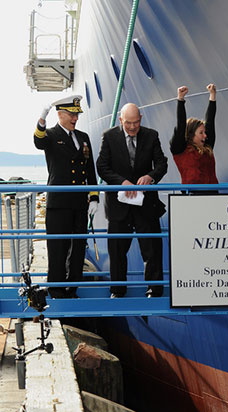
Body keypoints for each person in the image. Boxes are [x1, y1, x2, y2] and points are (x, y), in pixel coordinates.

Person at [96, 103, 168, 298]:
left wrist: (150, 177)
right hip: (119, 205)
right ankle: (117, 290)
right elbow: (102, 167)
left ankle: (154, 288)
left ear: (141, 119)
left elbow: (162, 163)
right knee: (117, 250)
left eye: (136, 122)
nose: (133, 127)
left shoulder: (151, 135)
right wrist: (122, 182)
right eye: (128, 123)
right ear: (121, 120)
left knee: (152, 249)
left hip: (145, 204)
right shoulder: (109, 137)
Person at [33, 95, 99, 298]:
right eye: (71, 114)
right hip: (59, 202)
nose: (75, 118)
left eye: (76, 114)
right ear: (60, 114)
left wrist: (94, 196)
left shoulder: (83, 137)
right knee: (58, 247)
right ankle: (57, 288)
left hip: (79, 203)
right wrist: (42, 119)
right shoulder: (51, 135)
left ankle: (73, 286)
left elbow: (90, 169)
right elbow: (38, 141)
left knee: (78, 246)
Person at [170, 84, 218, 185]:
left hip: (212, 196)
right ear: (191, 135)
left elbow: (210, 121)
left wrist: (212, 96)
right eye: (201, 133)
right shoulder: (180, 149)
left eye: (204, 132)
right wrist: (180, 100)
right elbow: (181, 125)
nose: (205, 135)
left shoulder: (207, 147)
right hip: (191, 197)